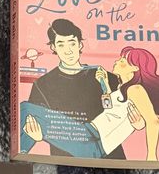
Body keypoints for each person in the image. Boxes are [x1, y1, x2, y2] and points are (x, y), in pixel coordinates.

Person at [22, 46, 159, 161]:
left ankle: (21, 153)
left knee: (26, 108)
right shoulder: (121, 88)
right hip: (91, 135)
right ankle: (22, 152)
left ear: (135, 68)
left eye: (122, 61)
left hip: (94, 140)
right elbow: (109, 111)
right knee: (30, 113)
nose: (116, 61)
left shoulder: (136, 89)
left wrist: (152, 156)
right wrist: (105, 85)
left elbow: (153, 121)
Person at [24, 18, 125, 159]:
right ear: (53, 47)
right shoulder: (42, 85)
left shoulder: (104, 76)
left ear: (80, 44)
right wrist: (39, 136)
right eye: (61, 44)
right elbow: (35, 123)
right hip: (67, 160)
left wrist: (106, 87)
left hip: (109, 157)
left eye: (72, 43)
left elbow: (118, 114)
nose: (68, 51)